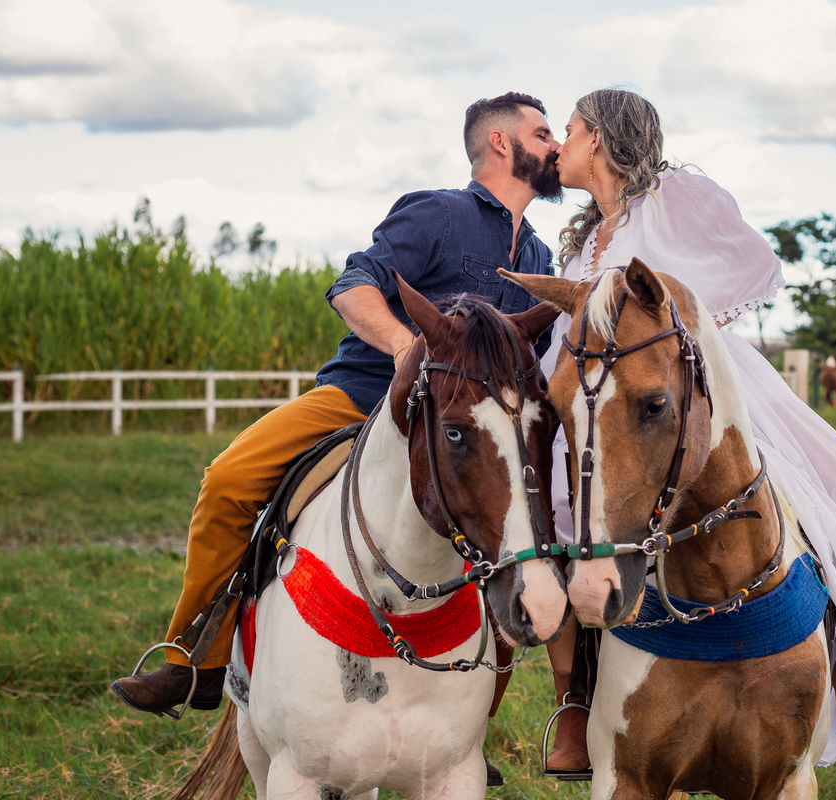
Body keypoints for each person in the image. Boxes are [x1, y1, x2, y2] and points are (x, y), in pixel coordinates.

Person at [111, 92, 563, 763]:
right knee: (230, 481)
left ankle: (468, 730)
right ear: (500, 143)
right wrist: (408, 350)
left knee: (516, 537)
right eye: (543, 131)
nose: (555, 145)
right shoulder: (438, 212)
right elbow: (354, 285)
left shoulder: (541, 256)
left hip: (467, 435)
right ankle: (190, 661)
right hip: (362, 397)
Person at [540, 88, 836, 767]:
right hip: (597, 409)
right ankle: (578, 699)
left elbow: (751, 263)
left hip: (691, 384)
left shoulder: (674, 199)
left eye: (566, 131)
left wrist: (675, 348)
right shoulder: (582, 239)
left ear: (598, 137)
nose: (557, 146)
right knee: (554, 521)